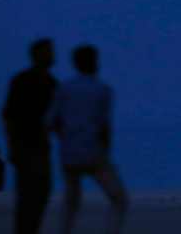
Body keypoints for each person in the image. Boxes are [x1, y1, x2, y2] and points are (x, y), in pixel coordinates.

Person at [47, 44, 129, 234]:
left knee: (71, 202)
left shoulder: (64, 89)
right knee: (118, 198)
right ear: (94, 62)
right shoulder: (102, 90)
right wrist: (105, 151)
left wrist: (65, 138)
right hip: (93, 151)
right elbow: (105, 127)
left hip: (69, 152)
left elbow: (50, 121)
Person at [2, 38, 58, 234]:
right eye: (49, 52)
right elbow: (9, 116)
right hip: (26, 146)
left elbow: (55, 118)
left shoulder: (51, 82)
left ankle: (30, 229)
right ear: (38, 55)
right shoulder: (23, 80)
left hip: (40, 146)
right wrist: (12, 146)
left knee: (41, 191)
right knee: (28, 195)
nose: (53, 55)